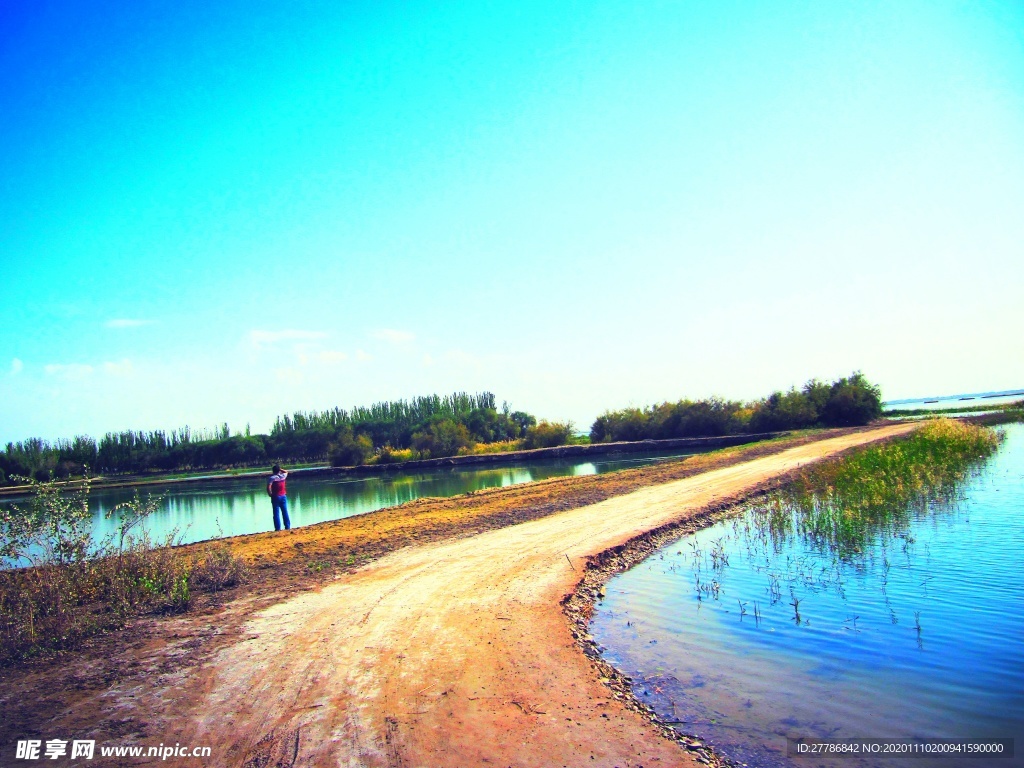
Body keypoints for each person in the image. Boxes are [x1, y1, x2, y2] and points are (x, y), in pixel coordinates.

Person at [267, 464, 291, 531]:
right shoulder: (283, 476)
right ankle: (287, 526)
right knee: (285, 511)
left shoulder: (272, 478)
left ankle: (277, 528)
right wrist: (280, 469)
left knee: (276, 513)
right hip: (283, 496)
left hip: (275, 496)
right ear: (279, 470)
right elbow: (286, 472)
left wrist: (270, 494)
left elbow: (269, 486)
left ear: (273, 471)